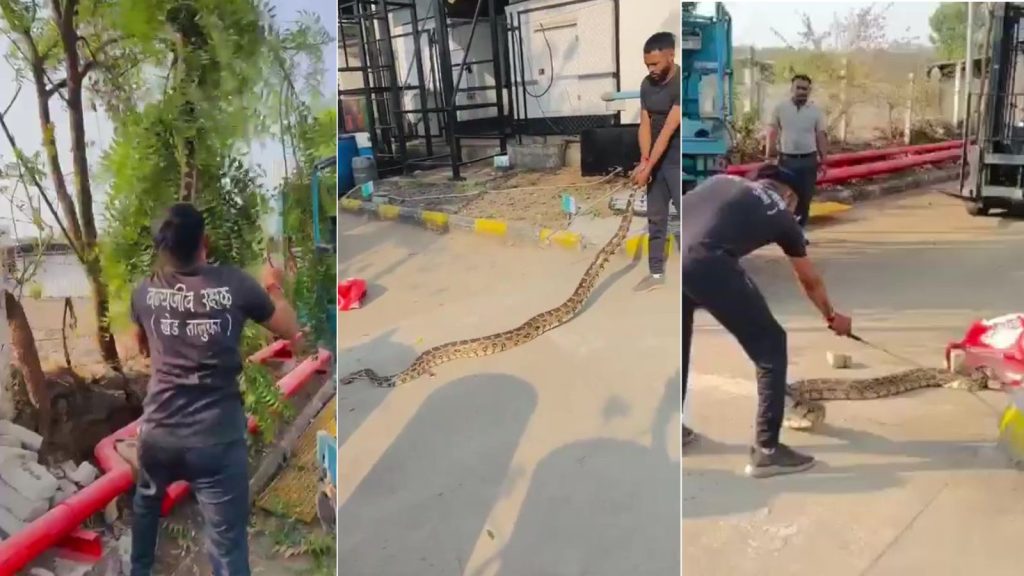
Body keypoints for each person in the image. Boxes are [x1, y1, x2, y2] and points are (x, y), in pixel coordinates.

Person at [128, 203, 305, 575]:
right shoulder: (235, 284)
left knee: (145, 507)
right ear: (204, 241)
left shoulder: (143, 291)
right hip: (217, 442)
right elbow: (289, 328)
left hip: (159, 433)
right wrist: (274, 285)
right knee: (227, 548)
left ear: (162, 248)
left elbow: (142, 346)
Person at [680, 165, 853, 478]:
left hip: (673, 252)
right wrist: (831, 315)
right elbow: (809, 279)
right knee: (771, 346)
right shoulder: (781, 211)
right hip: (708, 260)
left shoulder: (721, 180)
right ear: (788, 196)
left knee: (680, 342)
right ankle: (768, 451)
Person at [632, 31, 681, 292]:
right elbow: (646, 124)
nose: (651, 69)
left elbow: (669, 128)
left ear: (671, 55)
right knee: (656, 219)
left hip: (676, 161)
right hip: (656, 163)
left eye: (655, 64)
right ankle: (656, 274)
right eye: (647, 64)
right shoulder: (646, 85)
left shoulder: (680, 84)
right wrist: (644, 160)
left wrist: (648, 166)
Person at [766, 74, 829, 230]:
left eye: (805, 89)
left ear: (809, 91)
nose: (801, 91)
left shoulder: (815, 111)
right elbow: (772, 131)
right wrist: (769, 156)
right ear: (792, 88)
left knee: (805, 199)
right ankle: (786, 231)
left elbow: (821, 135)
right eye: (798, 88)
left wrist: (824, 160)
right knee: (787, 197)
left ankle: (800, 231)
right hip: (787, 161)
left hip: (808, 161)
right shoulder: (780, 108)